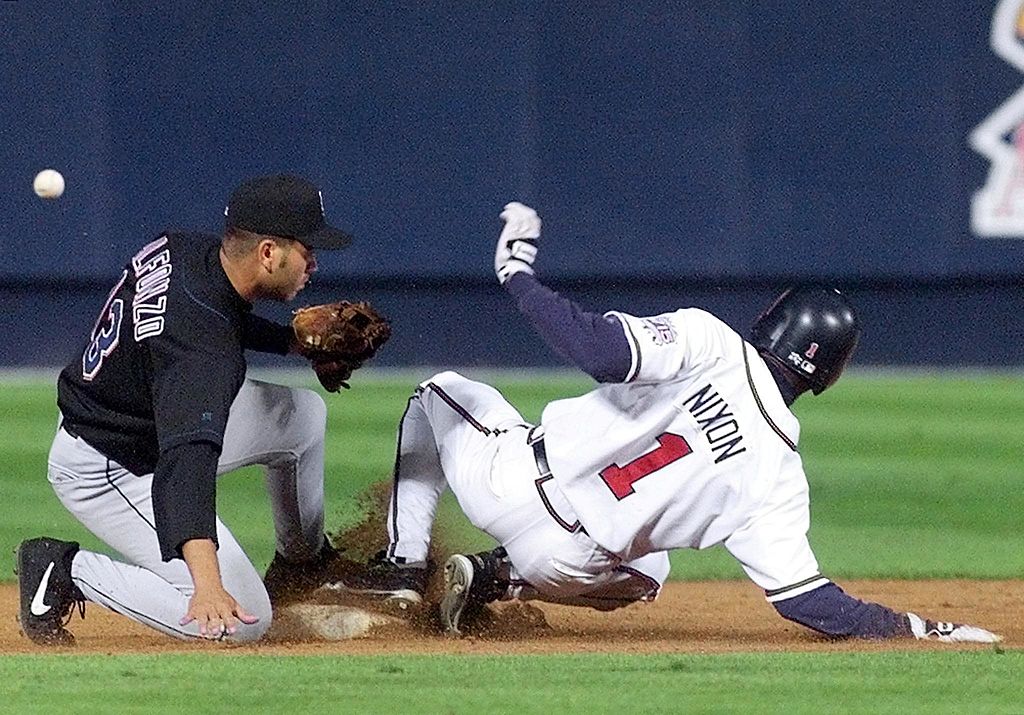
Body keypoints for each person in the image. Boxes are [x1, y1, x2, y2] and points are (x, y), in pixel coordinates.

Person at [339, 202, 1001, 644]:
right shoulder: (780, 474)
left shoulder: (711, 341)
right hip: (572, 562)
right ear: (825, 375)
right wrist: (919, 627)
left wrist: (516, 275)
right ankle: (497, 575)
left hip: (512, 482)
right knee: (653, 567)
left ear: (770, 321)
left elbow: (598, 350)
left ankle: (402, 564)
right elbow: (809, 601)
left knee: (439, 390)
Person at [16, 174, 357, 645]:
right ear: (268, 253)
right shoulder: (203, 359)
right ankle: (65, 571)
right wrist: (209, 586)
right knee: (243, 621)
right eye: (307, 249)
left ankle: (302, 565)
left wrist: (289, 343)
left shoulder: (184, 250)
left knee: (301, 418)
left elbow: (208, 316)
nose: (314, 263)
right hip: (111, 466)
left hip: (138, 412)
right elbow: (184, 466)